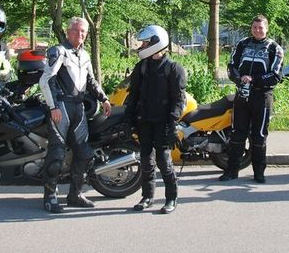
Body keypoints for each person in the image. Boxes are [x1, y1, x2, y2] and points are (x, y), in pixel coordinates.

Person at [38, 17, 111, 213]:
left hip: (78, 108)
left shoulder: (84, 54)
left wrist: (104, 99)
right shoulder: (58, 51)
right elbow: (46, 80)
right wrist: (53, 107)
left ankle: (75, 195)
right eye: (77, 31)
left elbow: (91, 81)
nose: (80, 34)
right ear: (68, 31)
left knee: (85, 153)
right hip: (61, 107)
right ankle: (50, 197)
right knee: (57, 153)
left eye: (83, 31)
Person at [124, 25, 187, 214]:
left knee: (164, 161)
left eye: (144, 43)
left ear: (156, 42)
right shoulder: (141, 67)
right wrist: (128, 120)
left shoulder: (174, 68)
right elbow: (133, 95)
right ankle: (147, 197)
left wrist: (173, 125)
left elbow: (178, 100)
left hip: (163, 123)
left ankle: (171, 198)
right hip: (144, 121)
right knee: (146, 161)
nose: (141, 46)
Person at [219, 14, 284, 184]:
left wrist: (253, 79)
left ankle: (259, 173)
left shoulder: (275, 48)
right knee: (237, 134)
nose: (257, 30)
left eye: (260, 27)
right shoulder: (242, 44)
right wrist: (239, 79)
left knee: (259, 135)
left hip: (262, 97)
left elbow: (276, 75)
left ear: (266, 28)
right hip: (242, 95)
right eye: (255, 27)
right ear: (251, 28)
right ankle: (231, 171)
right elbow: (231, 66)